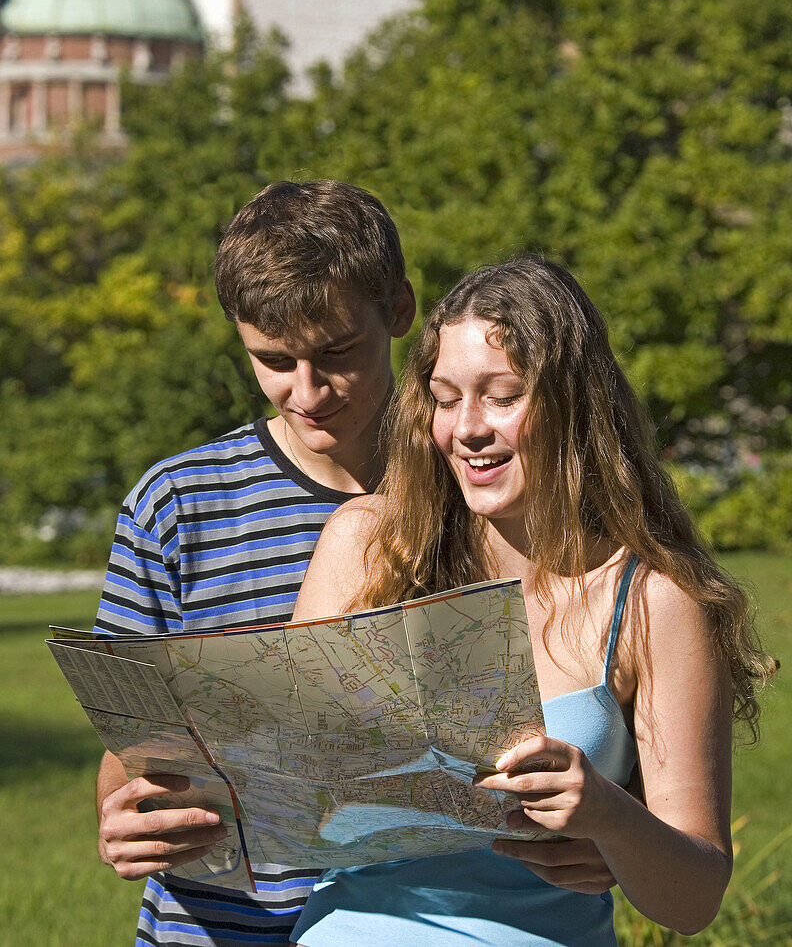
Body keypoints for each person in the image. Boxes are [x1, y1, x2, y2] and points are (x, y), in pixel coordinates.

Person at [289, 255, 772, 947]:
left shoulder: (652, 601)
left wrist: (610, 817)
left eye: (503, 395)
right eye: (446, 398)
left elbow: (693, 900)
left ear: (573, 403)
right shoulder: (366, 545)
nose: (468, 428)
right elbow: (280, 784)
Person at [92, 179, 419, 947]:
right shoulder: (177, 506)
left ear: (398, 311)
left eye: (337, 353)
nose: (304, 392)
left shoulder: (479, 484)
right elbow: (131, 754)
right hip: (213, 931)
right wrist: (126, 819)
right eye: (271, 360)